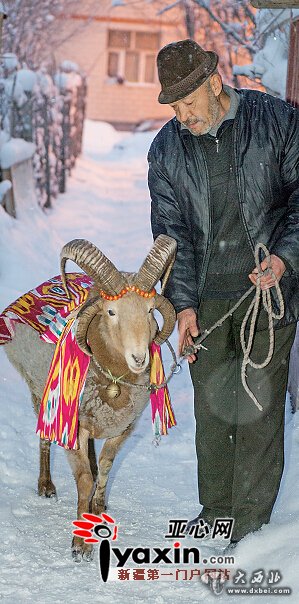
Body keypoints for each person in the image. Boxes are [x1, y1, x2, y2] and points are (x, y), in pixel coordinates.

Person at [148, 39, 299, 545]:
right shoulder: (166, 150)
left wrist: (284, 257)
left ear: (215, 83)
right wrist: (183, 305)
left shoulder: (276, 122)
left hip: (266, 287)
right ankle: (216, 507)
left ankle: (250, 525)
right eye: (173, 106)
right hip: (208, 292)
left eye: (188, 104)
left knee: (258, 405)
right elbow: (171, 234)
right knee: (212, 406)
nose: (182, 116)